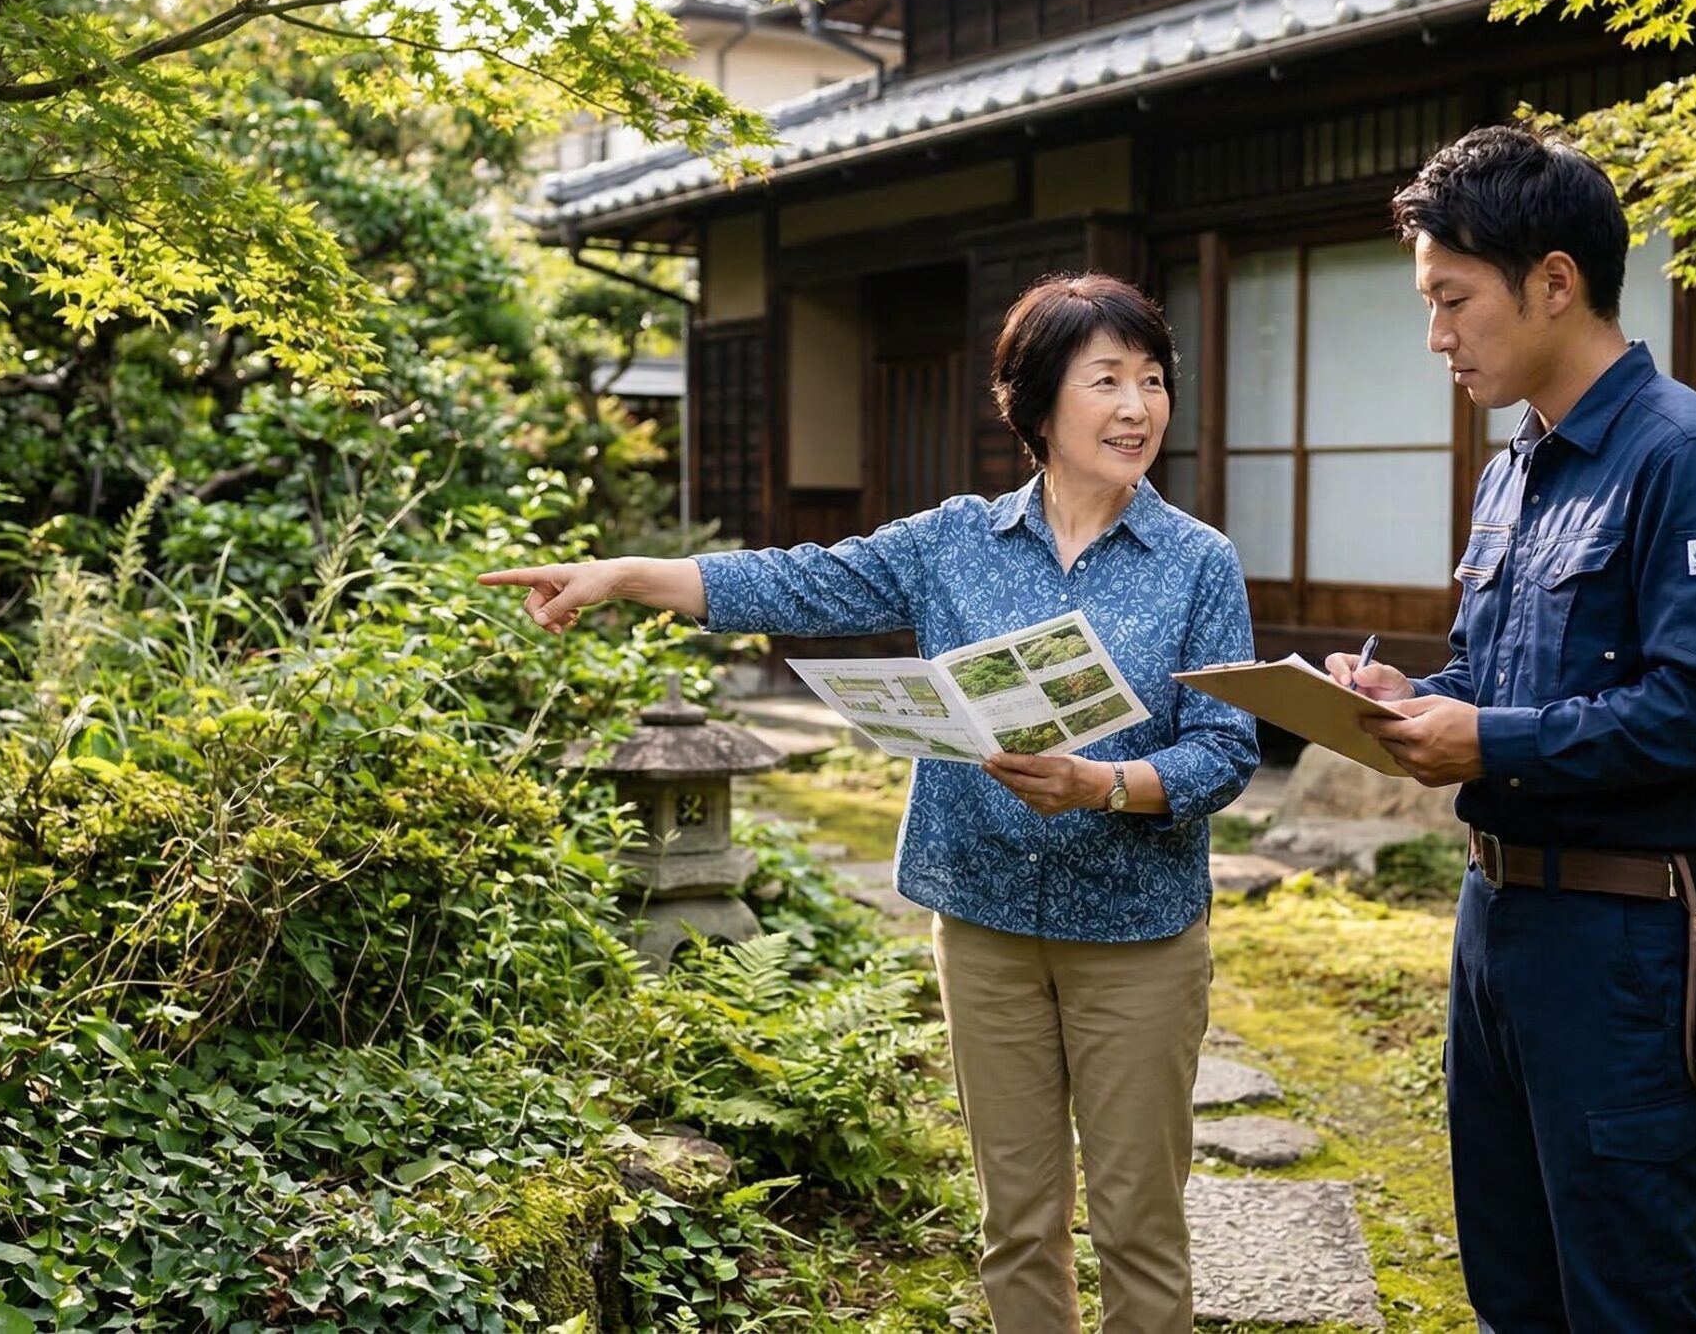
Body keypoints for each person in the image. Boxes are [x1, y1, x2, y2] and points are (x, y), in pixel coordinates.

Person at [482, 273, 1258, 1333]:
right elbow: (796, 582)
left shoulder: (1198, 563)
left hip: (1136, 935)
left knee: (1136, 1223)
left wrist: (1104, 784)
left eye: (1153, 380)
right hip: (981, 923)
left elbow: (1225, 745)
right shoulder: (951, 543)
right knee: (1016, 1220)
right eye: (1108, 380)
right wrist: (625, 575)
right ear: (1037, 402)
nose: (1138, 406)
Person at [1327, 125, 1696, 1332]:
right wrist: (1409, 705)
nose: (1435, 335)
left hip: (1626, 937)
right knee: (1512, 1284)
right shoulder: (1511, 467)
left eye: (1450, 300)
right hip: (1495, 922)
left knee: (1624, 1298)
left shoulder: (1688, 460)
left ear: (1552, 280)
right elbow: (1488, 670)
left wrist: (1494, 741)